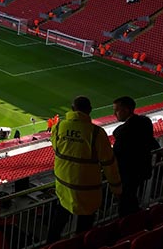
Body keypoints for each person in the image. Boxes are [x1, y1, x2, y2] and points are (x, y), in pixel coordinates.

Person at [47, 96, 122, 243]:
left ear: (72, 109)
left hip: (64, 188)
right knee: (84, 229)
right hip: (88, 190)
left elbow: (56, 149)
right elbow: (109, 163)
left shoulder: (59, 126)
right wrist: (117, 189)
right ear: (90, 111)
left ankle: (50, 246)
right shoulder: (96, 133)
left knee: (57, 225)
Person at [112, 96, 159, 217]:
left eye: (117, 110)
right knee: (132, 196)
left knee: (125, 201)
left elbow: (116, 152)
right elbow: (150, 140)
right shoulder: (145, 122)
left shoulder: (123, 131)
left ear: (126, 110)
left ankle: (127, 225)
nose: (114, 113)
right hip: (143, 168)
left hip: (128, 172)